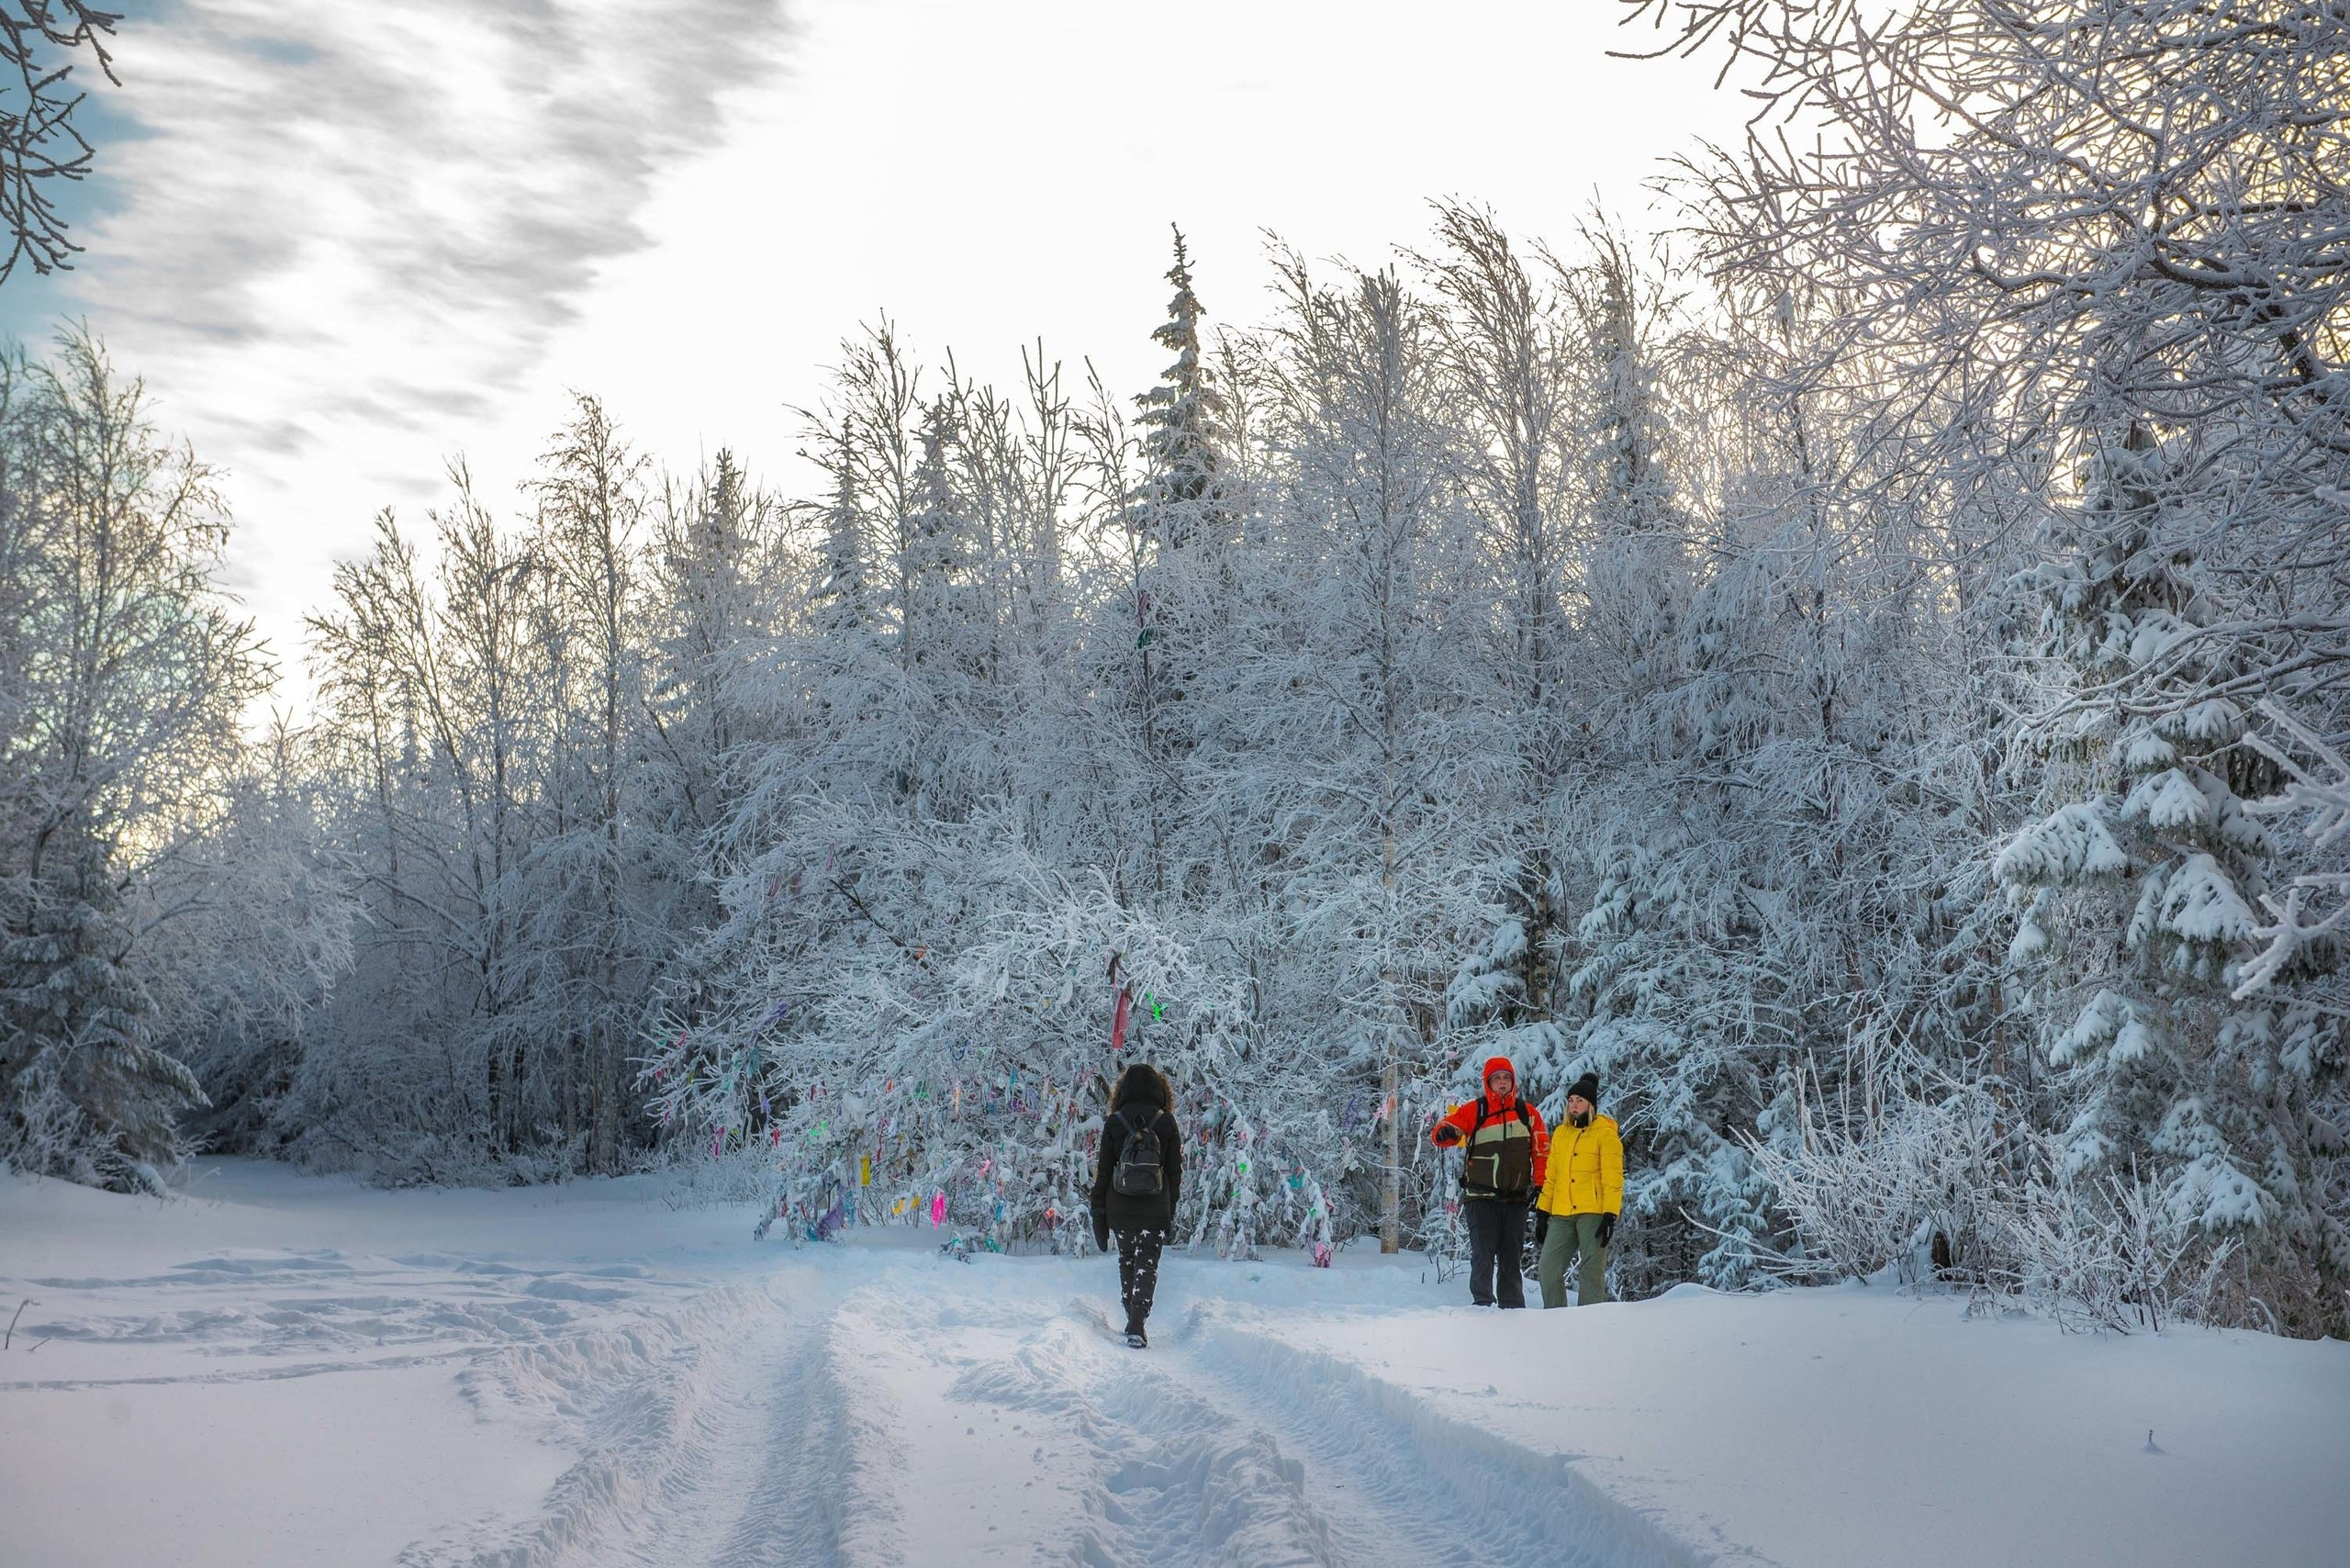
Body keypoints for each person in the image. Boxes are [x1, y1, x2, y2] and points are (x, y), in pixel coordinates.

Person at [1429, 1055, 1548, 1307]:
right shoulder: (1476, 1110)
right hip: (1480, 1196)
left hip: (1515, 1198)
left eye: (1506, 1078)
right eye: (1497, 1079)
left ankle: (1513, 1307)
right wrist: (1444, 1132)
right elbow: (1447, 1129)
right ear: (1488, 1082)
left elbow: (1541, 1153)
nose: (1502, 1083)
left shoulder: (1528, 1114)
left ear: (1513, 1082)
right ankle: (1482, 1305)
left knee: (1511, 1258)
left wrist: (1541, 1186)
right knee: (1483, 1256)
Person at [1091, 1061, 1183, 1348]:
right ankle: (1137, 1321)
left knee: (1127, 1258)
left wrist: (1099, 1211)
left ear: (1122, 1091)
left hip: (1121, 1205)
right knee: (1148, 1262)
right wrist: (1171, 1205)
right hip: (1155, 1206)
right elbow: (1175, 1169)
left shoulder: (1115, 1122)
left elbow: (1103, 1171)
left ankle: (1131, 1315)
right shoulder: (1166, 1121)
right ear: (1160, 1090)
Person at [1535, 1071, 1623, 1307]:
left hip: (1593, 1212)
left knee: (1591, 1269)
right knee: (1548, 1268)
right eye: (1571, 1100)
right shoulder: (1562, 1134)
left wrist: (1610, 1214)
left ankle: (1590, 1322)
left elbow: (1612, 1178)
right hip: (1562, 1213)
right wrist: (1543, 1211)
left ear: (1591, 1104)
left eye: (1580, 1101)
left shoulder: (1605, 1134)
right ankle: (1555, 1319)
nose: (1574, 1105)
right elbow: (1552, 1176)